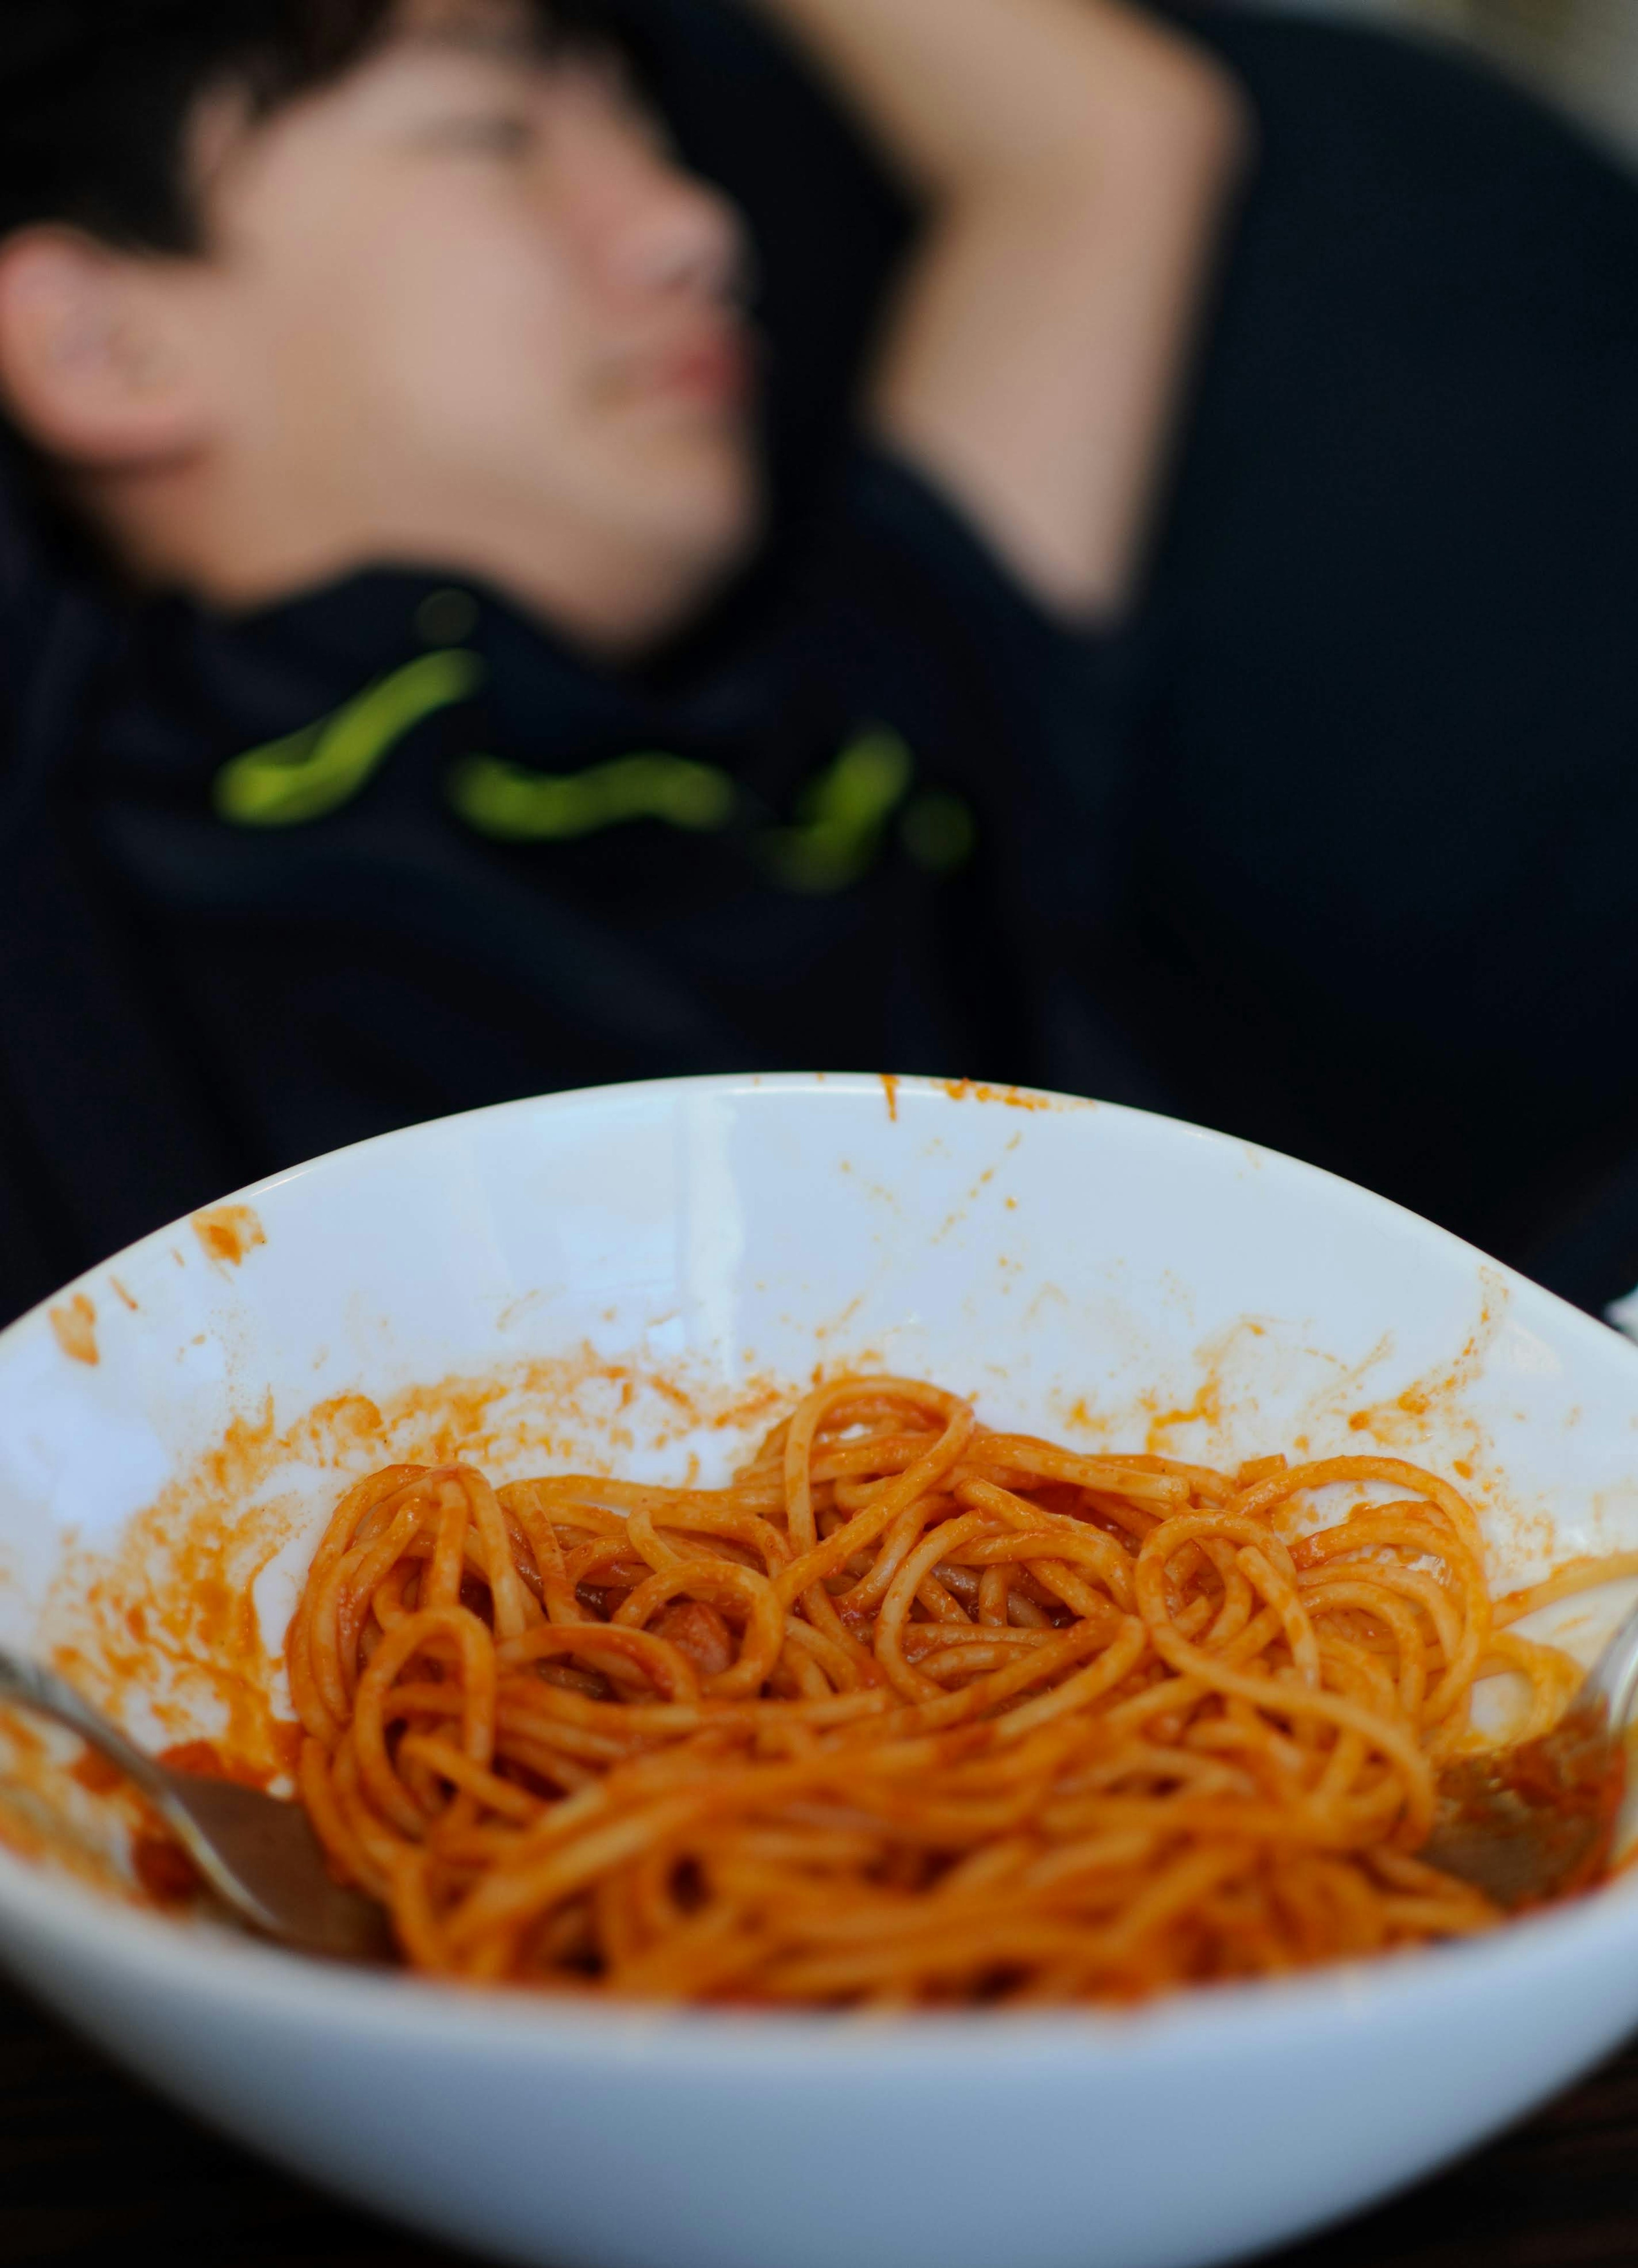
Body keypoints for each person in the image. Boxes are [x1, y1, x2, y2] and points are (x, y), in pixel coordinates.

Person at [2, 0, 1638, 1328]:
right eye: (492, 135)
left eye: (648, 141)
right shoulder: (84, 832)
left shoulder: (864, 706)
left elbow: (1106, 140)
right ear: (102, 341)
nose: (694, 228)